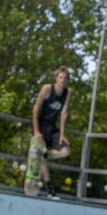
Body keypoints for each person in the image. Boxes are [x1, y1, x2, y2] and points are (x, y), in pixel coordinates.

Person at [30, 66, 72, 195]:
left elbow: (63, 113)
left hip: (52, 127)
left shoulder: (67, 92)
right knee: (42, 150)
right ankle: (49, 185)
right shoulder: (47, 89)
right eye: (60, 77)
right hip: (41, 126)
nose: (62, 80)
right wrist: (36, 131)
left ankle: (42, 155)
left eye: (65, 78)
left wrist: (62, 134)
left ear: (67, 80)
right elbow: (36, 109)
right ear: (56, 78)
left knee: (65, 151)